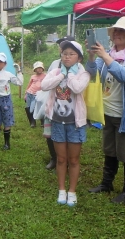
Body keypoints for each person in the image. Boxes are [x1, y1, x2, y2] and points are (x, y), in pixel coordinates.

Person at [86, 16, 125, 204]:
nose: (118, 34)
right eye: (116, 31)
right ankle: (106, 183)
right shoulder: (109, 54)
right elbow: (92, 73)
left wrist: (105, 56)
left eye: (123, 31)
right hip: (108, 112)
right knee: (109, 149)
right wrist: (92, 57)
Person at [41, 41, 90, 206]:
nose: (67, 57)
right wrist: (61, 74)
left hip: (75, 123)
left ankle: (72, 191)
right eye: (64, 53)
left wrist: (69, 74)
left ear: (79, 58)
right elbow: (44, 85)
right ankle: (62, 189)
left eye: (71, 54)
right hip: (57, 121)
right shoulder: (55, 71)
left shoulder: (83, 73)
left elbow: (77, 88)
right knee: (61, 158)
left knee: (74, 159)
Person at [43, 35, 76, 170]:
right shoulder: (55, 64)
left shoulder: (78, 67)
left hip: (69, 108)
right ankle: (54, 158)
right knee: (50, 132)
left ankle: (67, 159)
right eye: (61, 45)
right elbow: (47, 83)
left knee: (69, 136)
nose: (62, 48)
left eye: (66, 45)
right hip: (53, 105)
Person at [25, 61, 46, 128]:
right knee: (28, 107)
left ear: (43, 69)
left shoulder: (45, 76)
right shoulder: (33, 76)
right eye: (37, 68)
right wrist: (26, 93)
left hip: (38, 95)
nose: (39, 69)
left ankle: (42, 121)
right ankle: (32, 122)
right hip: (30, 93)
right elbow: (29, 85)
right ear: (35, 69)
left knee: (38, 108)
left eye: (40, 68)